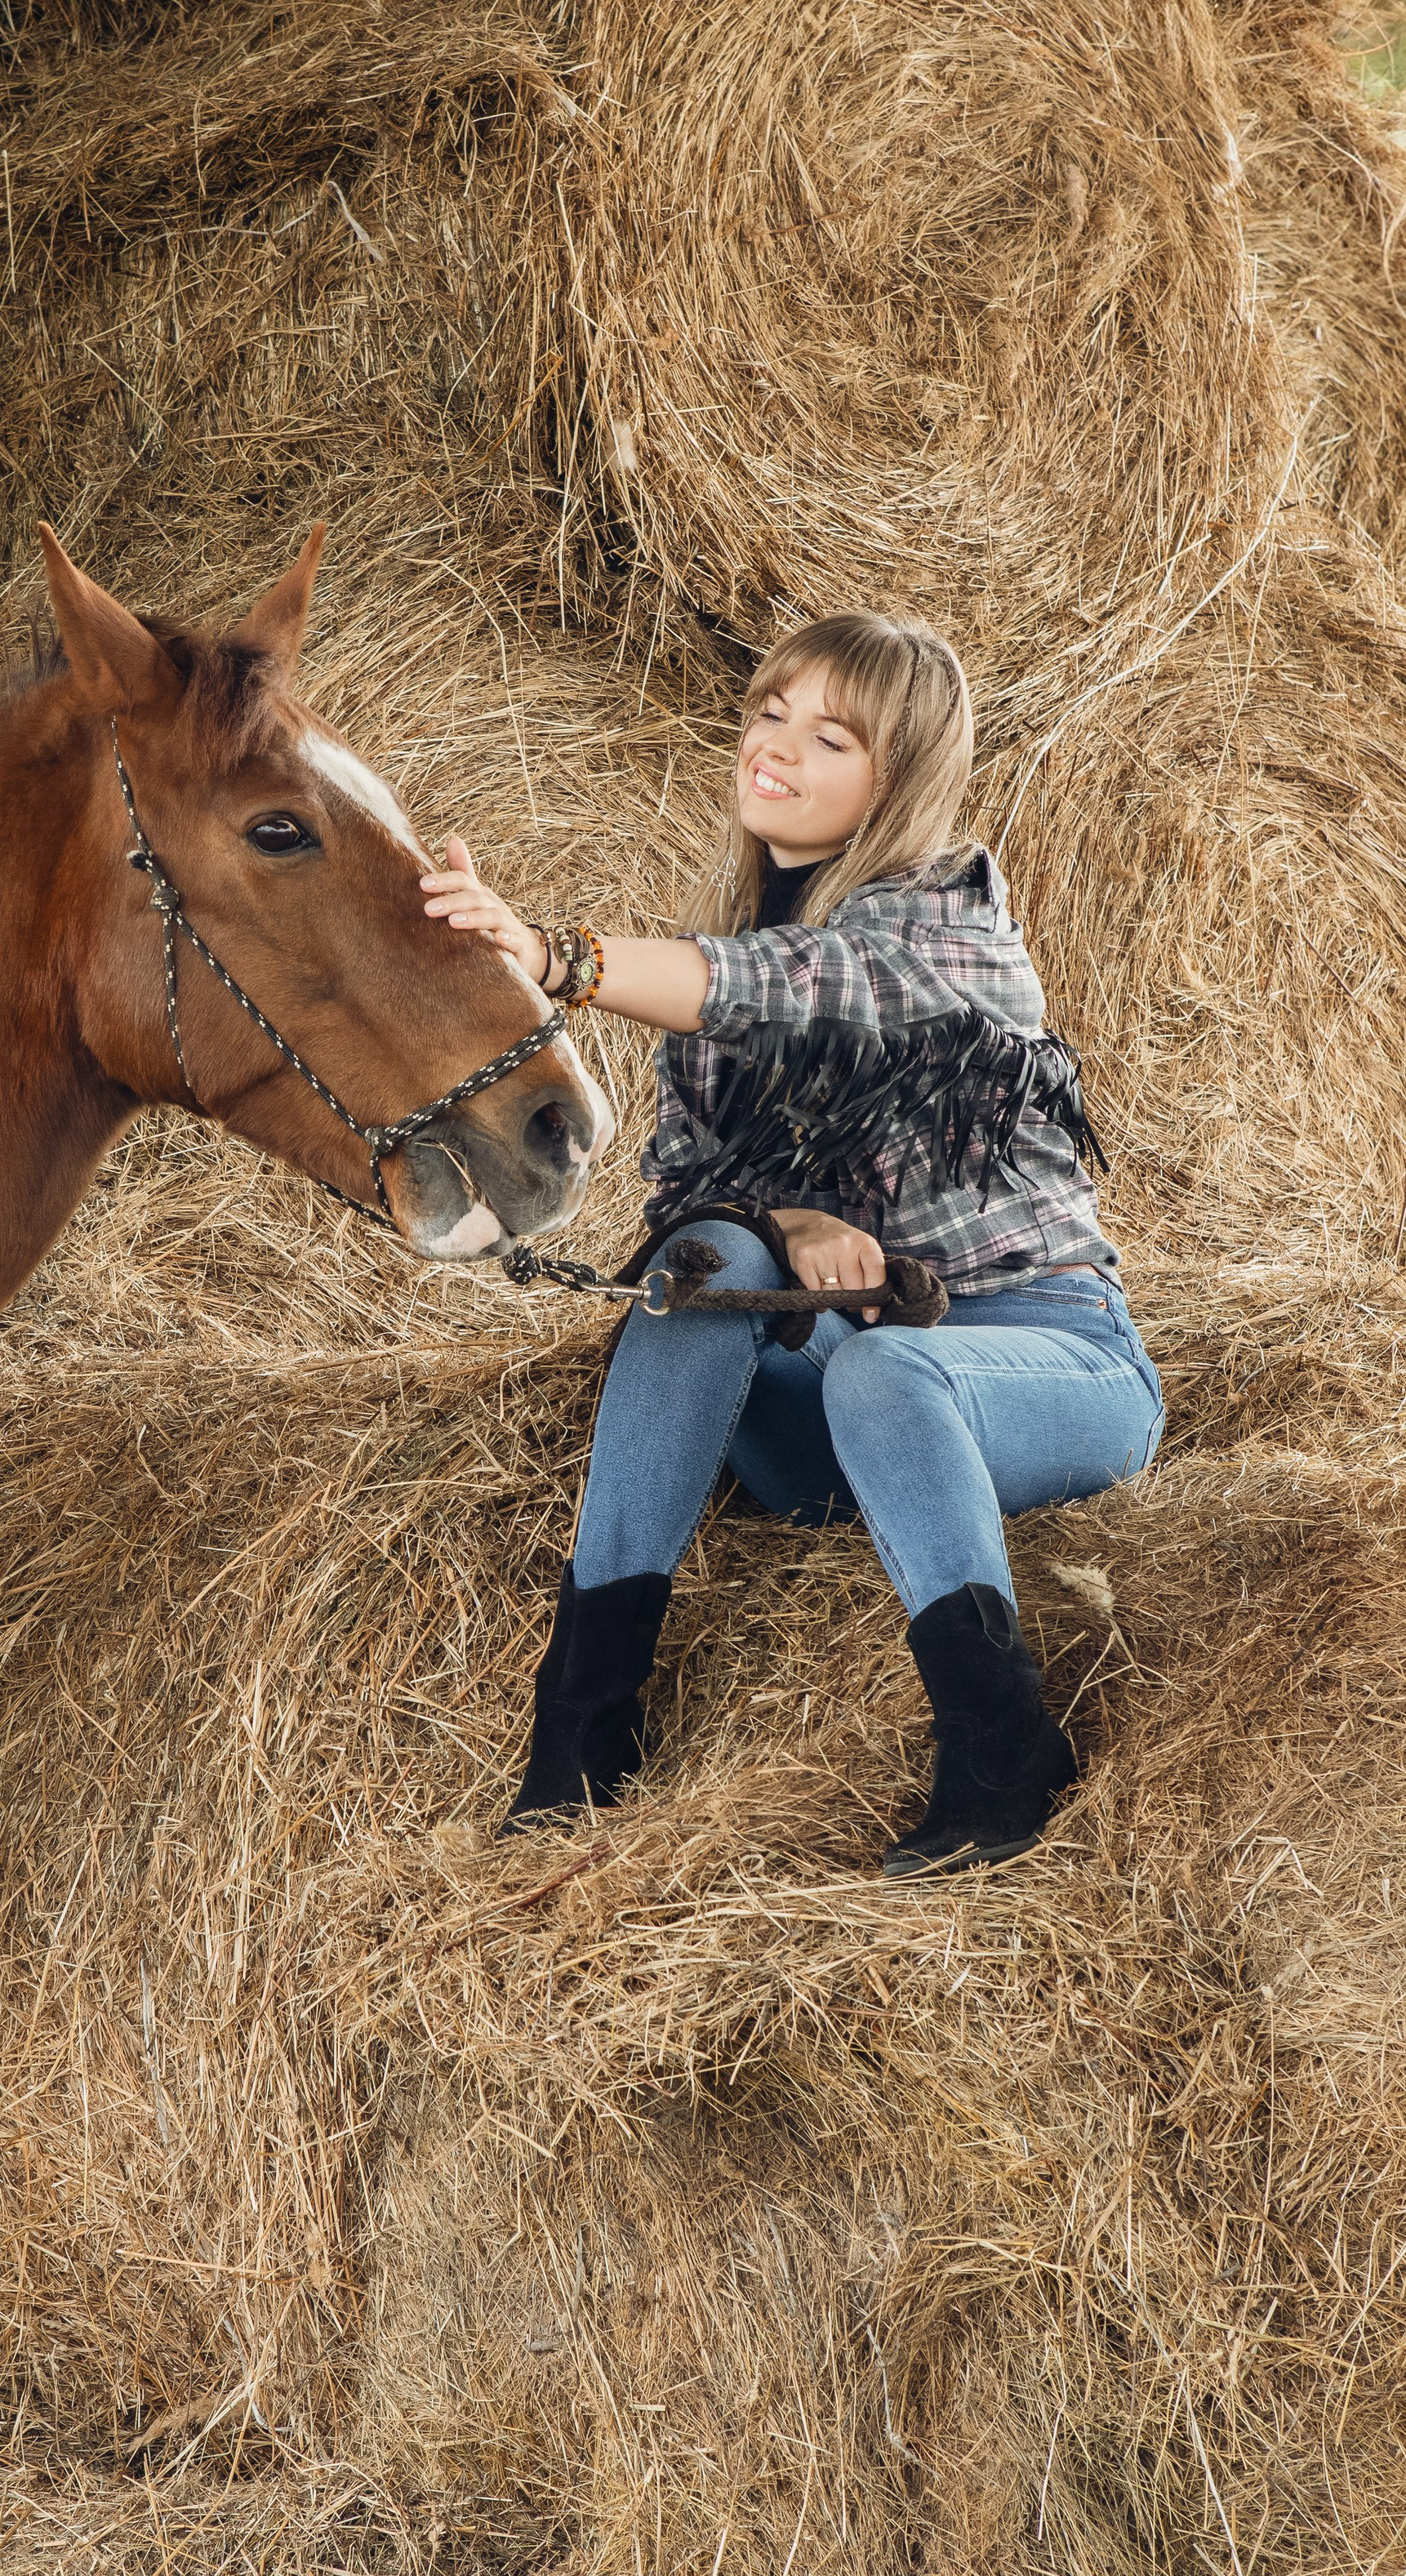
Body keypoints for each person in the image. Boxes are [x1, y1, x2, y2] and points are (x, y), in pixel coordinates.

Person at [420, 613, 1162, 1874]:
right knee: (708, 1253)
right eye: (770, 711)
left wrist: (556, 957)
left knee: (889, 1367)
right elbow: (684, 1197)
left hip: (1051, 1366)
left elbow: (800, 983)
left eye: (832, 736)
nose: (777, 747)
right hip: (836, 1428)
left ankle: (1000, 1752)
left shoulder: (950, 931)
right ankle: (583, 1731)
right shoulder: (724, 962)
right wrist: (783, 1220)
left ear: (899, 779)